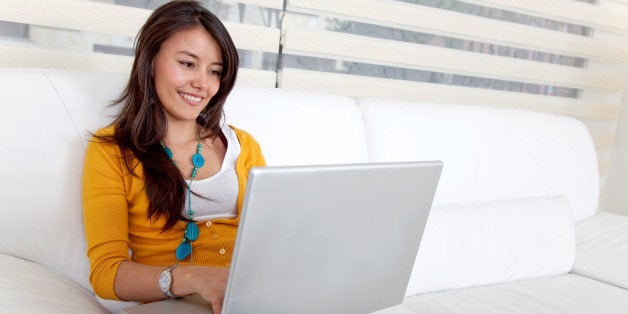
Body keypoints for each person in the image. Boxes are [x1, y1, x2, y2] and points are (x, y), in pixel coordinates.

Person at [82, 1, 265, 313]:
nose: (203, 84)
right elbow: (105, 273)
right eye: (188, 64)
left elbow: (272, 240)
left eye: (215, 71)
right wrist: (191, 278)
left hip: (253, 300)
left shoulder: (244, 146)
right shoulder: (112, 152)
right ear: (150, 60)